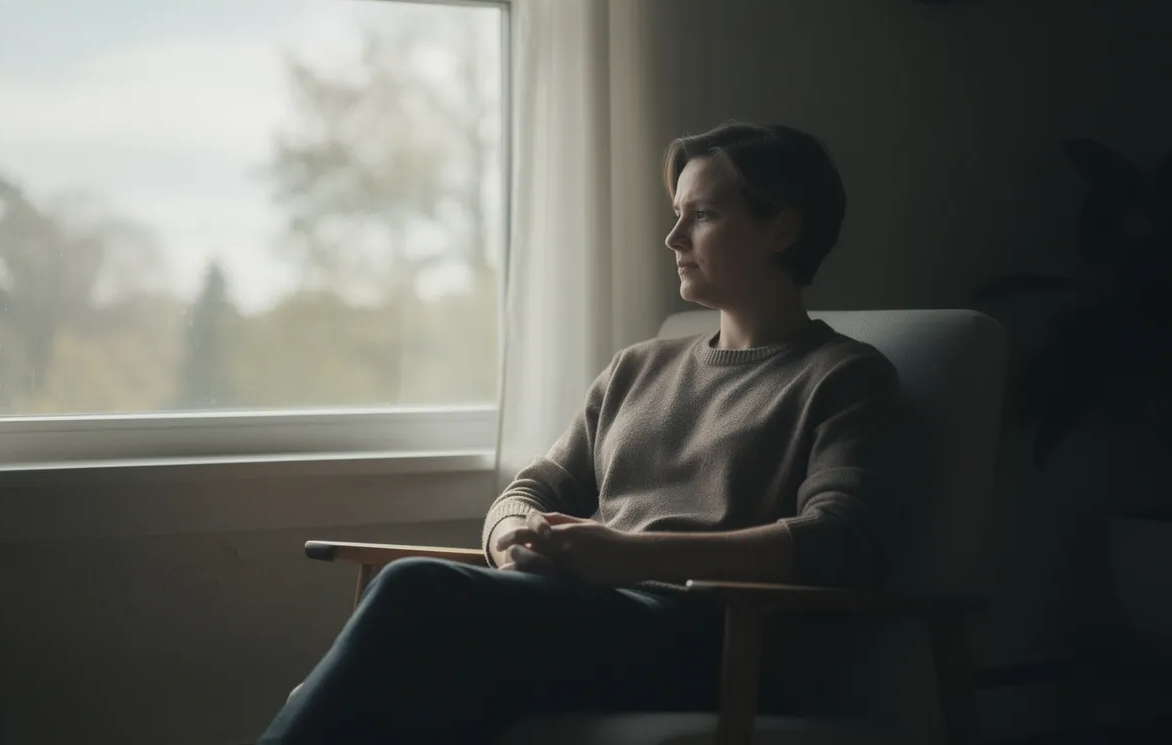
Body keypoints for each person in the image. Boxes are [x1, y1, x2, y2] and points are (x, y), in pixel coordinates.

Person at [256, 121, 902, 744]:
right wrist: (510, 536)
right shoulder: (640, 366)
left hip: (714, 642)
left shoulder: (844, 376)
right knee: (423, 689)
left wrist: (635, 556)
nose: (673, 237)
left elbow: (842, 541)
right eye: (676, 214)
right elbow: (533, 487)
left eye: (702, 215)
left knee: (414, 592)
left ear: (781, 229)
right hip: (590, 619)